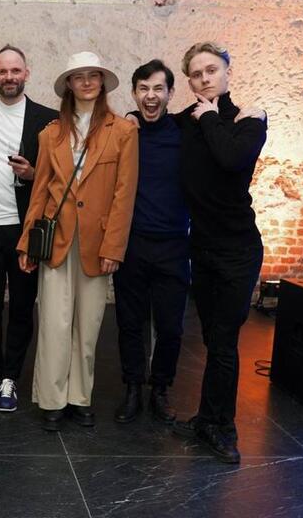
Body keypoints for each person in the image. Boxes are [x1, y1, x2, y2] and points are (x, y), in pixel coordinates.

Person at [17, 51, 138, 432]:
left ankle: (80, 397)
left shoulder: (123, 131)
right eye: (79, 76)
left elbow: (124, 195)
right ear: (68, 84)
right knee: (54, 324)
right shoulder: (50, 134)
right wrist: (27, 241)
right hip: (56, 239)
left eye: (93, 75)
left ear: (101, 82)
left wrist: (114, 247)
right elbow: (39, 191)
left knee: (88, 327)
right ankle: (52, 399)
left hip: (97, 243)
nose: (86, 82)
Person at [172, 42, 267, 464]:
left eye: (211, 70)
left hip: (238, 251)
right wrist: (135, 120)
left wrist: (210, 116)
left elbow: (230, 159)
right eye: (196, 74)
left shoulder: (248, 120)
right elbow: (156, 127)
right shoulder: (186, 122)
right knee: (212, 338)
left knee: (225, 341)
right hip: (203, 248)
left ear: (228, 71)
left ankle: (223, 429)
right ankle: (206, 419)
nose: (205, 78)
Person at [0, 45, 58, 412]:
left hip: (25, 227)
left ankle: (10, 377)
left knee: (21, 305)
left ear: (26, 73)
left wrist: (33, 174)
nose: (9, 77)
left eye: (15, 70)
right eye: (2, 71)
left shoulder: (47, 119)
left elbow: (61, 173)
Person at [113, 60, 190, 425]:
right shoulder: (126, 132)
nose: (151, 96)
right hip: (133, 243)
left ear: (170, 93)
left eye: (158, 88)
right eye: (143, 89)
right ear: (134, 94)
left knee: (171, 326)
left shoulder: (185, 132)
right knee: (130, 323)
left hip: (174, 245)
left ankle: (160, 389)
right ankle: (132, 387)